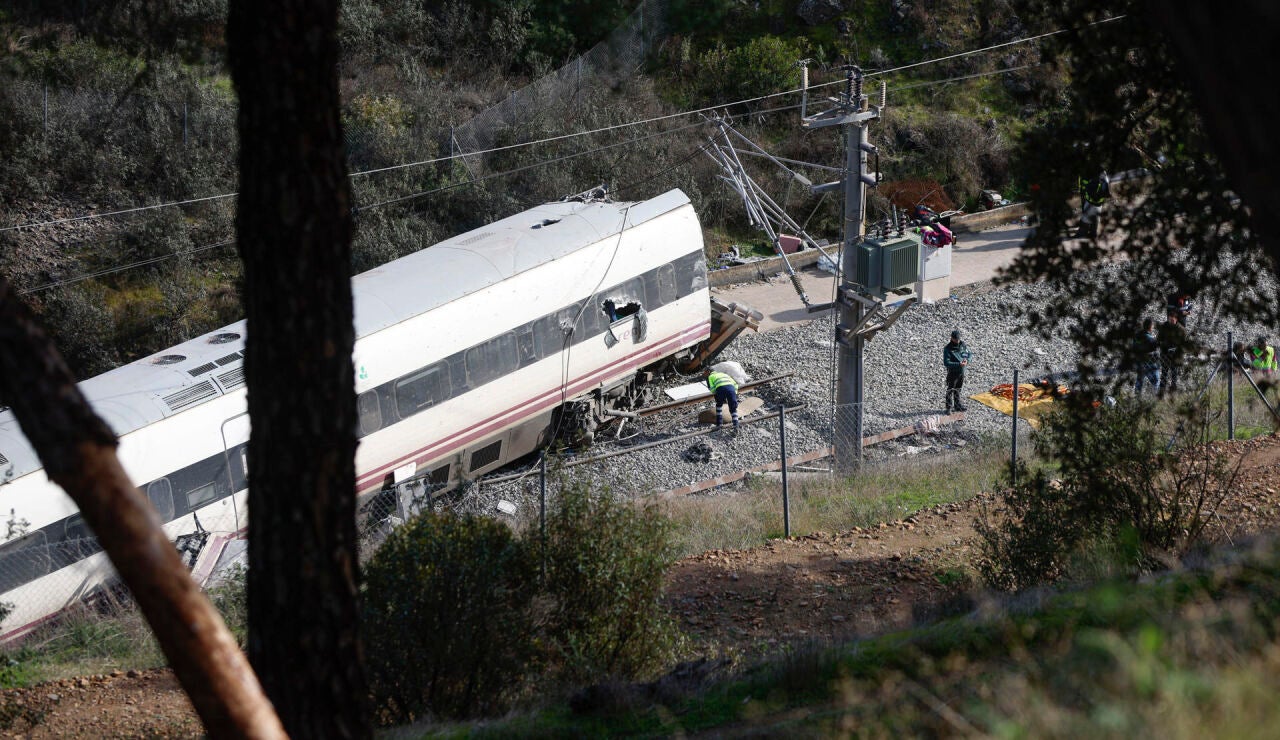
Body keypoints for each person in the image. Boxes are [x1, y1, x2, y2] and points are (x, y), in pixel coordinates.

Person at [942, 329, 972, 412]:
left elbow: (969, 354)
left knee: (958, 389)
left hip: (961, 372)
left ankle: (957, 405)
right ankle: (948, 407)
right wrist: (958, 364)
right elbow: (946, 362)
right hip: (952, 373)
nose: (957, 341)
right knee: (950, 389)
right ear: (951, 338)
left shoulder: (962, 345)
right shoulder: (948, 349)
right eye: (955, 339)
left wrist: (967, 360)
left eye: (958, 339)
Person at [1157, 311, 1185, 396]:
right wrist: (1163, 345)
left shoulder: (1180, 329)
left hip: (1175, 355)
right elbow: (1158, 339)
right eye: (1169, 320)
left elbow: (1183, 342)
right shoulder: (1164, 327)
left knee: (1174, 373)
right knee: (1164, 373)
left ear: (1176, 320)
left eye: (1172, 320)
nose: (1171, 322)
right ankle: (1162, 391)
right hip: (1165, 354)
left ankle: (1173, 391)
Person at [1077, 170, 1110, 238]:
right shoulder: (1102, 174)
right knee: (1095, 216)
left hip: (1092, 200)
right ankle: (1093, 233)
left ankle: (1082, 233)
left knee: (1086, 216)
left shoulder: (1097, 173)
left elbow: (1100, 190)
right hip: (1095, 200)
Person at [1133, 318, 1162, 395]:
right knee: (1156, 380)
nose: (1153, 327)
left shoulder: (1137, 336)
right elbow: (1156, 346)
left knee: (1139, 380)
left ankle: (1137, 397)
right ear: (1150, 326)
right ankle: (1156, 397)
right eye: (1152, 326)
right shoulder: (1149, 338)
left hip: (1139, 362)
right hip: (1150, 362)